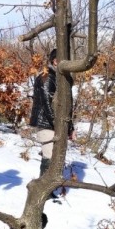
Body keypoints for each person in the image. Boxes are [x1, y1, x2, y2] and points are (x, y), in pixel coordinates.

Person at [29, 48, 75, 200]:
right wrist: (58, 125)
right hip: (46, 123)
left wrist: (70, 127)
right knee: (48, 155)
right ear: (56, 61)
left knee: (56, 156)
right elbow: (47, 105)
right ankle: (42, 191)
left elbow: (68, 105)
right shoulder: (47, 77)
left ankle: (48, 189)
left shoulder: (62, 78)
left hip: (57, 123)